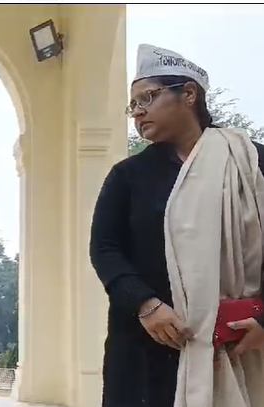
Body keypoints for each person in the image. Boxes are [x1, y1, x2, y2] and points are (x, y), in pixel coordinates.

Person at [90, 44, 264, 407]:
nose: (138, 113)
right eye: (133, 105)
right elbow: (105, 250)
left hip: (241, 344)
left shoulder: (251, 164)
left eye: (147, 98)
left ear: (188, 94)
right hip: (148, 348)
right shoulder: (129, 176)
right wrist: (145, 305)